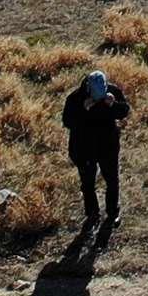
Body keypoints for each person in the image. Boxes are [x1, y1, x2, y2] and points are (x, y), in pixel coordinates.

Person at [62, 68, 130, 235]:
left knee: (112, 180)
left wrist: (113, 104)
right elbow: (68, 122)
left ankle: (113, 213)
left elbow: (124, 112)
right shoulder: (75, 98)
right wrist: (83, 110)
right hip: (84, 148)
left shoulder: (112, 92)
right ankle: (92, 214)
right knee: (88, 183)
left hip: (107, 146)